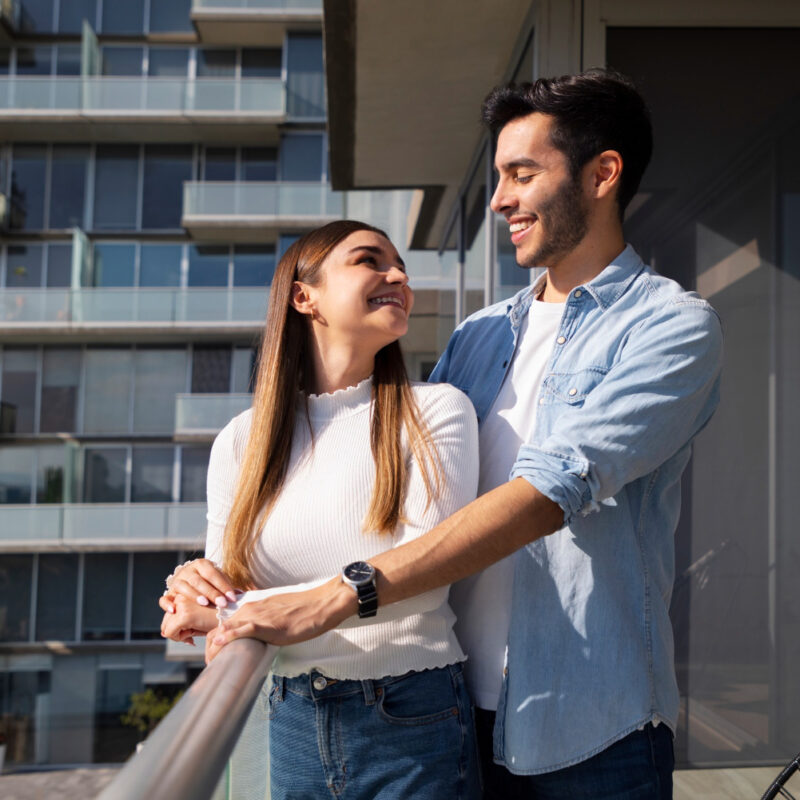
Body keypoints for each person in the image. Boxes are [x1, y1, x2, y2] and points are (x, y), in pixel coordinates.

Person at [194, 70, 724, 799]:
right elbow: (389, 492)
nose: (501, 197)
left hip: (590, 730)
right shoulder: (477, 336)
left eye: (522, 173)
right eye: (500, 175)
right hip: (441, 715)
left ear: (603, 174)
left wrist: (335, 597)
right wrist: (221, 579)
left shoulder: (671, 327)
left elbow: (548, 492)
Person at [159, 220, 481, 800]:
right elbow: (223, 594)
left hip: (412, 717)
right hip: (291, 714)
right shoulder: (242, 441)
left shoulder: (435, 411)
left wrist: (230, 609)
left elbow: (429, 576)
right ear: (304, 297)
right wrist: (193, 587)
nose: (399, 276)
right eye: (369, 260)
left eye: (400, 264)